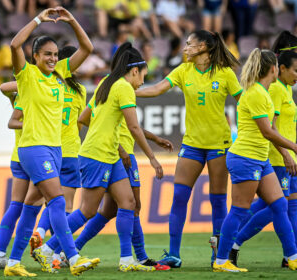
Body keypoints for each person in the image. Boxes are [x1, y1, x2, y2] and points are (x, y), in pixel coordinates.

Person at [33, 42, 164, 272]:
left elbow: (87, 117)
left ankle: (126, 260)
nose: (142, 82)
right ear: (134, 71)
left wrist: (120, 148)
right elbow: (133, 127)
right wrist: (153, 158)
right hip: (97, 154)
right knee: (88, 210)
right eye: (142, 76)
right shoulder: (123, 87)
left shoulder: (107, 82)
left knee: (128, 203)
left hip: (110, 154)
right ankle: (46, 249)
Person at [4, 7, 99, 277]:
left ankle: (12, 263)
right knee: (57, 201)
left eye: (56, 55)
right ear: (35, 56)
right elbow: (14, 44)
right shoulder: (26, 75)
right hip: (34, 149)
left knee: (31, 207)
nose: (53, 59)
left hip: (55, 150)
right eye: (47, 54)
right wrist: (37, 19)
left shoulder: (60, 74)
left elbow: (87, 47)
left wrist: (71, 21)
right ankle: (73, 256)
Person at [135, 30, 242, 267]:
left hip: (219, 146)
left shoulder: (225, 74)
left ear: (203, 46)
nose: (185, 48)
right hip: (192, 144)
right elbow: (157, 89)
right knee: (179, 198)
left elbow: (244, 103)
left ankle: (219, 256)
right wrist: (128, 92)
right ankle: (174, 254)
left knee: (217, 201)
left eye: (189, 44)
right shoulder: (183, 71)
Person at [213, 48, 297, 272]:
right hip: (246, 157)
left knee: (280, 205)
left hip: (260, 158)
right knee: (240, 209)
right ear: (274, 69)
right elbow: (267, 132)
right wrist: (293, 147)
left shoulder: (262, 92)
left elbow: (269, 131)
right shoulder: (257, 94)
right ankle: (221, 261)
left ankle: (292, 256)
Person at [71, 117, 173, 271]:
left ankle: (70, 248)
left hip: (111, 154)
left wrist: (155, 138)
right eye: (137, 89)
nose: (139, 90)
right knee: (133, 206)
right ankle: (141, 257)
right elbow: (132, 128)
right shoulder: (121, 93)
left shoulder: (112, 95)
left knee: (109, 210)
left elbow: (130, 126)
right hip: (122, 156)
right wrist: (145, 155)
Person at [29, 45, 87, 255]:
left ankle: (42, 229)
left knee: (52, 200)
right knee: (67, 205)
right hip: (71, 150)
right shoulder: (80, 90)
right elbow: (81, 121)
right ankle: (56, 252)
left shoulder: (50, 84)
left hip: (49, 149)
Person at [0, 82, 38, 270]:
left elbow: (4, 88)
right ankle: (54, 252)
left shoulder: (19, 97)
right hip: (35, 156)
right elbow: (4, 87)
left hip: (18, 156)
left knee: (16, 205)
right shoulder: (33, 95)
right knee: (42, 205)